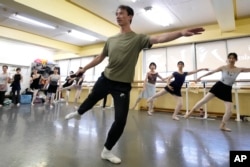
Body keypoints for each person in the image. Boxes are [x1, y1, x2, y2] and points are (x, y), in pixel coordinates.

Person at [64, 5, 205, 164]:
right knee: (91, 99)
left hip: (122, 86)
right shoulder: (111, 40)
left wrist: (180, 33)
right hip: (106, 78)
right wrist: (83, 69)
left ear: (130, 17)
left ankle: (107, 151)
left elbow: (159, 39)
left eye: (121, 14)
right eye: (116, 14)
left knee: (120, 120)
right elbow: (99, 58)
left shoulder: (138, 39)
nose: (118, 16)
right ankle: (79, 113)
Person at [185, 53, 250, 131]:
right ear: (228, 59)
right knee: (204, 100)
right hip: (219, 86)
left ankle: (222, 125)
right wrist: (200, 77)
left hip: (227, 89)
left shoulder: (239, 69)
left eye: (233, 58)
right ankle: (190, 112)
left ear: (236, 60)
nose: (231, 60)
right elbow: (211, 72)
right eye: (230, 58)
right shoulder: (223, 67)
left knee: (229, 111)